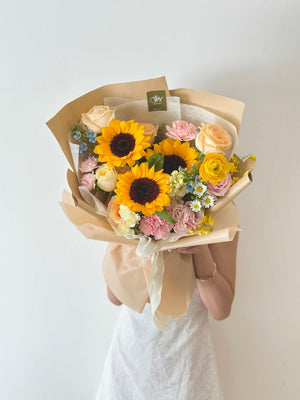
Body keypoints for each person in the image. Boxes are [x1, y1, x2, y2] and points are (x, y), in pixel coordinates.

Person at [96, 225, 239, 400]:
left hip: (186, 356)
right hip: (132, 356)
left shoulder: (221, 211)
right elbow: (114, 296)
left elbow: (221, 310)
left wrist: (200, 251)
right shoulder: (124, 205)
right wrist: (136, 238)